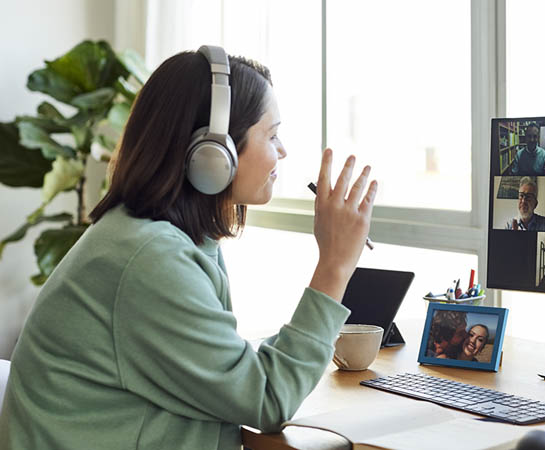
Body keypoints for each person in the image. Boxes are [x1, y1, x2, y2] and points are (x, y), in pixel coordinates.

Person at [0, 47, 378, 450]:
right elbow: (268, 399)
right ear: (214, 151)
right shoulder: (149, 258)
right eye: (271, 135)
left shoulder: (159, 238)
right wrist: (335, 265)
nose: (281, 151)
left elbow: (233, 375)